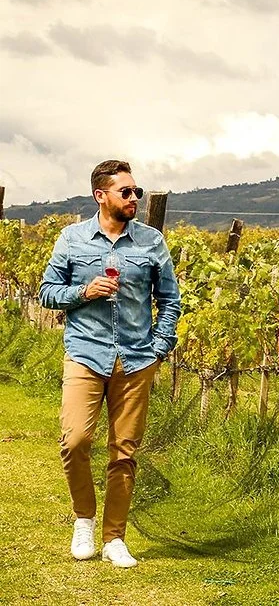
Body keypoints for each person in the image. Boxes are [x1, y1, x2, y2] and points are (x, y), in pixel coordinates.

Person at [38, 159, 181, 568]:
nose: (134, 197)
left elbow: (170, 299)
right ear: (101, 196)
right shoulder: (72, 238)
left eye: (136, 191)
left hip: (136, 359)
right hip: (85, 353)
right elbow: (47, 291)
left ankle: (114, 537)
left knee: (124, 451)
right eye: (126, 192)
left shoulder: (151, 241)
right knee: (75, 440)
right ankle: (84, 517)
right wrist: (84, 291)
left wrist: (160, 347)